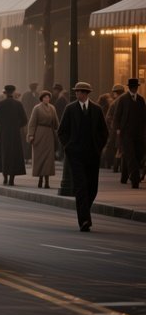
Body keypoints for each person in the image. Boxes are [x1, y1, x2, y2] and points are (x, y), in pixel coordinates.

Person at [57, 81, 108, 232]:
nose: (77, 93)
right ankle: (84, 220)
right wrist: (68, 147)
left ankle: (85, 211)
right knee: (80, 186)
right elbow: (62, 131)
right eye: (76, 91)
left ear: (85, 93)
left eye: (79, 91)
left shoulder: (97, 110)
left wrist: (98, 148)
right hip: (75, 155)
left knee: (92, 187)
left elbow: (104, 132)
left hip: (92, 154)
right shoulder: (70, 109)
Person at [0, 84, 27, 185]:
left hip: (3, 133)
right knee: (14, 155)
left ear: (5, 93)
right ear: (13, 93)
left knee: (4, 154)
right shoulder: (18, 104)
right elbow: (24, 120)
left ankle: (5, 177)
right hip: (15, 134)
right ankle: (12, 179)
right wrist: (17, 126)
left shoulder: (1, 104)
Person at [112, 78, 146, 189]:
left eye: (135, 87)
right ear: (129, 87)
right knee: (131, 156)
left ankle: (124, 175)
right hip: (126, 133)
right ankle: (135, 180)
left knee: (138, 154)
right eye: (132, 87)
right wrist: (117, 129)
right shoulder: (123, 99)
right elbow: (117, 116)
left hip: (139, 133)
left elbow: (144, 116)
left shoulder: (141, 100)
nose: (134, 89)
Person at [26, 90, 59, 188]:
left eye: (48, 97)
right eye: (45, 97)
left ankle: (47, 181)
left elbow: (56, 122)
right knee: (39, 157)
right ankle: (40, 179)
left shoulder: (52, 108)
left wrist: (59, 130)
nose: (47, 99)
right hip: (39, 134)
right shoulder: (37, 108)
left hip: (49, 135)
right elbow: (32, 123)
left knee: (49, 158)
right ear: (41, 98)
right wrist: (31, 135)